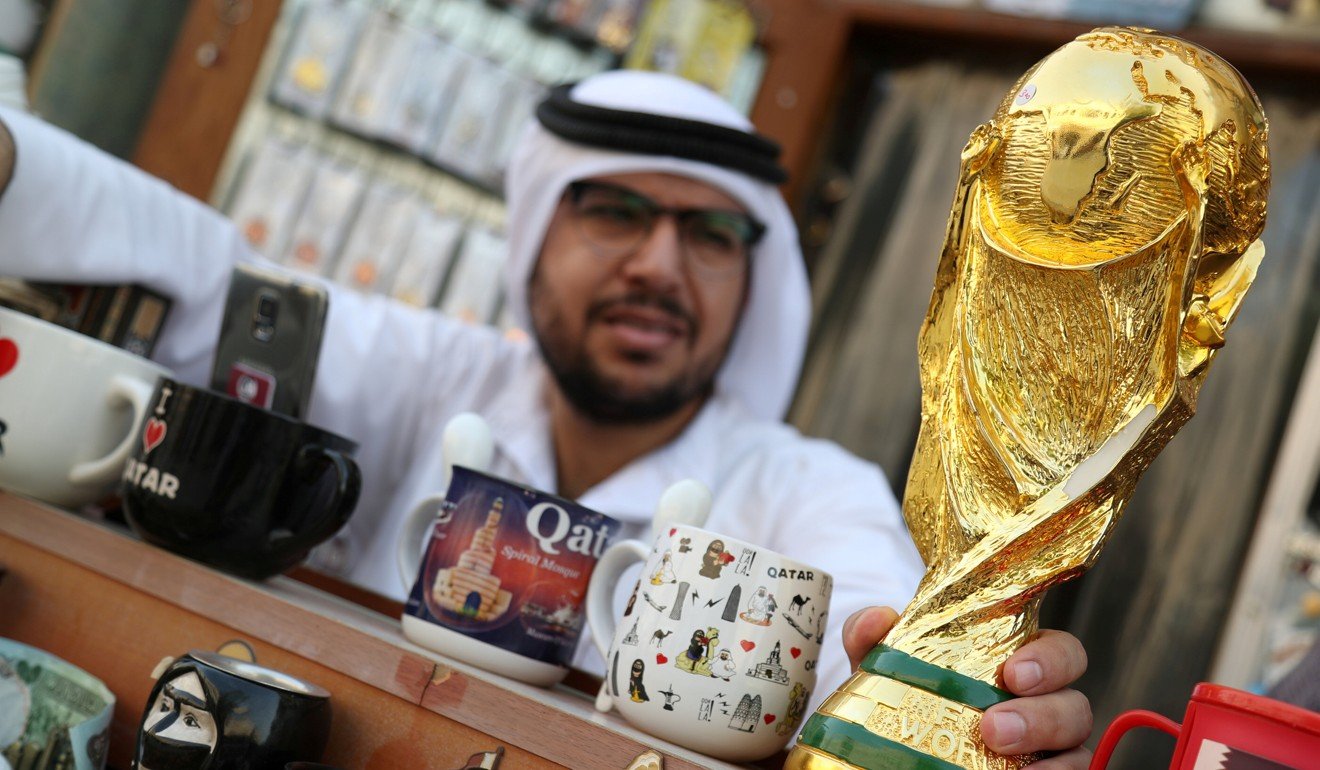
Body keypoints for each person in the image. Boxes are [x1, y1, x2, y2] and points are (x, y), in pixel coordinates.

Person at [0, 71, 1092, 764]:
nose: (661, 265)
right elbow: (214, 283)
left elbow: (872, 640)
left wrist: (953, 709)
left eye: (712, 235)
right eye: (616, 212)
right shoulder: (427, 372)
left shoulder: (812, 493)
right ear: (533, 235)